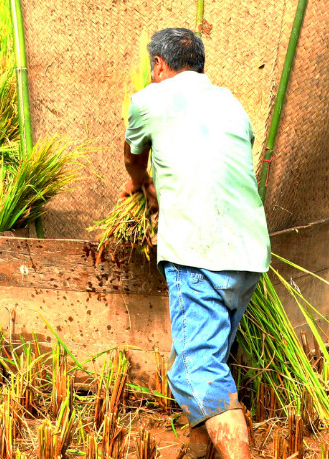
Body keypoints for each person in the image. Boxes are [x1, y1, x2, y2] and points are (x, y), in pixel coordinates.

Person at [123, 27, 270, 459]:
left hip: (197, 251)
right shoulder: (230, 103)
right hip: (248, 253)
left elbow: (133, 156)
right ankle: (199, 451)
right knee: (208, 359)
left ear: (159, 66)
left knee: (196, 369)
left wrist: (142, 184)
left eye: (152, 67)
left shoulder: (149, 99)